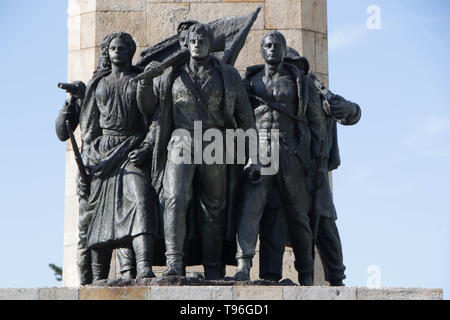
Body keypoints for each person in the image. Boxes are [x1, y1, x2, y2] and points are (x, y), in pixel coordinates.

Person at [137, 23, 256, 280]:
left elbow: (245, 117)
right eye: (193, 39)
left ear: (211, 44)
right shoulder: (171, 74)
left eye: (203, 39)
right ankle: (173, 263)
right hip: (181, 140)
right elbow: (150, 109)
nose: (197, 43)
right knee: (174, 198)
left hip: (215, 143)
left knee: (214, 207)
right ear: (186, 44)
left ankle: (213, 267)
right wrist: (145, 82)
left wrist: (253, 155)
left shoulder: (228, 74)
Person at [257, 48, 362, 286]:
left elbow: (350, 112)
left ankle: (336, 278)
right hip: (283, 163)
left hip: (314, 168)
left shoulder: (316, 91)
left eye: (295, 66)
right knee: (274, 215)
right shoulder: (275, 94)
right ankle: (271, 276)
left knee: (323, 220)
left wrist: (350, 110)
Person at [233, 31, 327, 286]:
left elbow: (317, 125)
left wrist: (318, 163)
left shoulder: (301, 82)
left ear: (284, 50)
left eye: (278, 45)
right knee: (251, 209)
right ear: (261, 51)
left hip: (290, 151)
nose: (273, 49)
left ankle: (306, 272)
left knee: (298, 214)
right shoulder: (249, 82)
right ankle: (243, 266)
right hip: (261, 148)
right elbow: (240, 119)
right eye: (268, 45)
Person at [78, 32, 160, 281]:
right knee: (99, 216)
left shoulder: (139, 79)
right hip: (102, 155)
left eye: (122, 48)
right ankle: (98, 275)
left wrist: (146, 147)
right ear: (107, 51)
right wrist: (88, 158)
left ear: (130, 52)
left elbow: (153, 117)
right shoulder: (98, 84)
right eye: (113, 48)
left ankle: (144, 266)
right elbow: (89, 129)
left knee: (141, 199)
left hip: (130, 148)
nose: (117, 52)